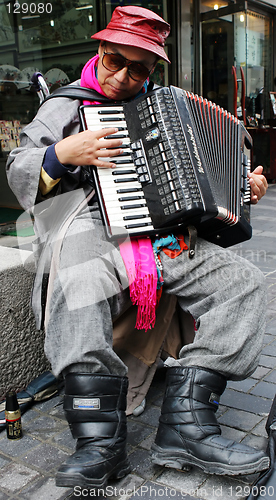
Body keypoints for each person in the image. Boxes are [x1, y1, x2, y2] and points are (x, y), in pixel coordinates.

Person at [6, 5, 269, 491]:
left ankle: (185, 426)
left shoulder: (166, 110)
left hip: (163, 241)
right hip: (88, 232)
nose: (124, 76)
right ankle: (100, 445)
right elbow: (17, 168)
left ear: (152, 71)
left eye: (139, 68)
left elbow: (211, 182)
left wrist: (242, 190)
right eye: (114, 61)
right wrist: (62, 154)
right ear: (99, 51)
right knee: (79, 282)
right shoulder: (66, 106)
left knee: (246, 283)